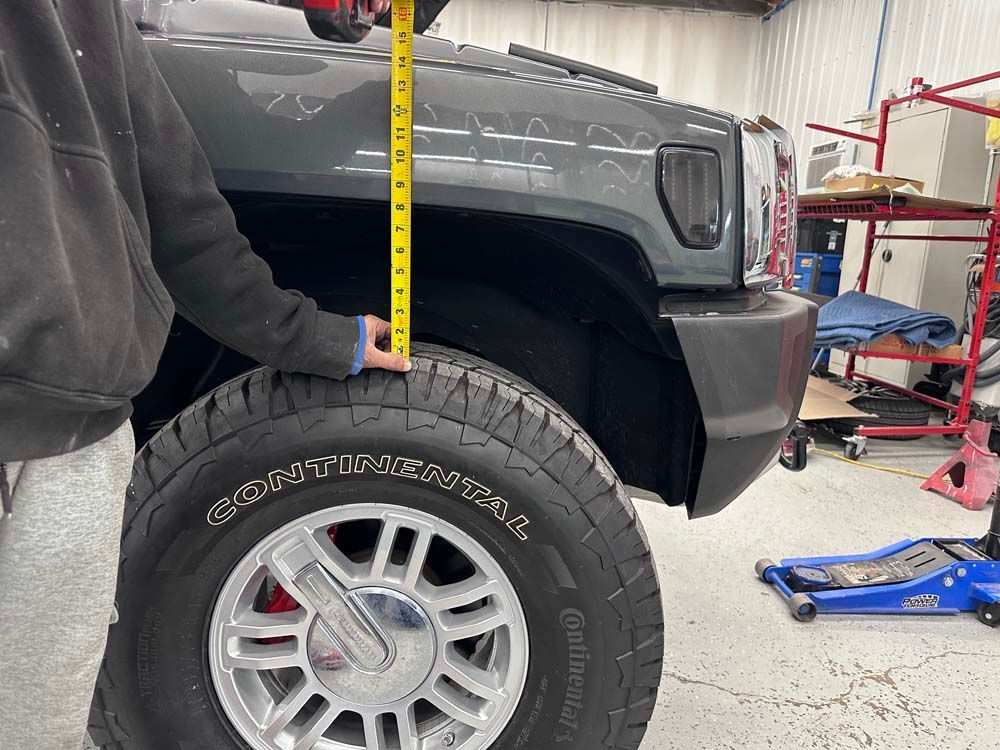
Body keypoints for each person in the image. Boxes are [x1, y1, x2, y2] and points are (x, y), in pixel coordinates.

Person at [0, 0, 393, 747]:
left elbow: (184, 217)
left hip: (73, 444)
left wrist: (318, 339)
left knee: (32, 728)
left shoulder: (90, 20)